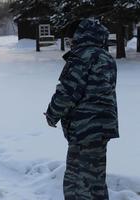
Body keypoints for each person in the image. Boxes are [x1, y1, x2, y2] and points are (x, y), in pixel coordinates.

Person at [44, 18, 119, 200]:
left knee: (76, 184)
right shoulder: (106, 57)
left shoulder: (82, 56)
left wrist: (52, 114)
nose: (70, 43)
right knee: (95, 181)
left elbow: (68, 90)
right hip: (103, 129)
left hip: (84, 129)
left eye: (71, 39)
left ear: (81, 36)